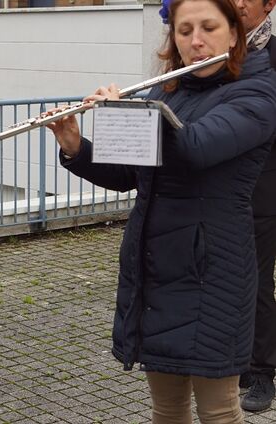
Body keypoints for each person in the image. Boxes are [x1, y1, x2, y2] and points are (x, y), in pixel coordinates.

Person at [46, 0, 276, 420]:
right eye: (184, 30)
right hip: (156, 270)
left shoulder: (258, 92)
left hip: (214, 272)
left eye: (208, 27)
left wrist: (127, 112)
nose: (196, 41)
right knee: (166, 406)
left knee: (219, 409)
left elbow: (194, 149)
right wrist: (76, 147)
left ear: (233, 33)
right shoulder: (167, 90)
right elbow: (133, 173)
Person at [234, 0, 276, 412]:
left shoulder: (273, 56)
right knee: (229, 278)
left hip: (264, 188)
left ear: (269, 5)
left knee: (260, 281)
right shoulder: (218, 55)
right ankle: (241, 363)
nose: (239, 2)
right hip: (222, 187)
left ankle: (263, 372)